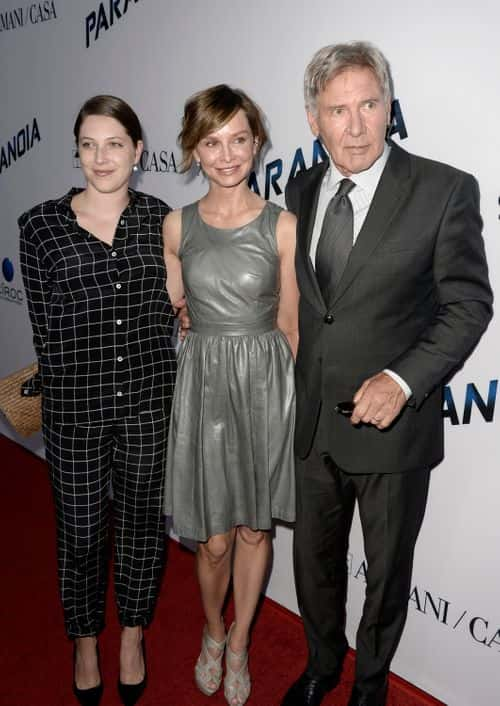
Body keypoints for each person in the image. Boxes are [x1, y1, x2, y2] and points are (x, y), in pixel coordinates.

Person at [281, 42, 493, 706]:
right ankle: (322, 665)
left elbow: (469, 304)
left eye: (368, 104)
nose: (354, 125)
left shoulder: (443, 189)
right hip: (314, 423)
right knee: (313, 565)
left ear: (389, 106)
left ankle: (370, 683)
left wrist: (401, 381)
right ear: (313, 118)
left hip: (394, 433)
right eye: (336, 109)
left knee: (387, 573)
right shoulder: (303, 187)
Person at [19, 95, 177, 706]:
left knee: (141, 528)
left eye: (116, 144)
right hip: (75, 410)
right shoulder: (39, 226)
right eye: (89, 144)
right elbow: (44, 328)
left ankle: (132, 637)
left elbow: (178, 306)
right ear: (77, 151)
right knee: (81, 535)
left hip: (147, 401)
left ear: (139, 152)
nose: (102, 157)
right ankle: (85, 640)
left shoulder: (164, 220)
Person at [163, 84, 298, 706]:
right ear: (193, 149)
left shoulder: (283, 226)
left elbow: (291, 328)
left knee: (251, 531)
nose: (226, 155)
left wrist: (291, 414)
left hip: (264, 388)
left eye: (238, 140)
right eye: (211, 142)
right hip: (204, 390)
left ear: (257, 144)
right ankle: (212, 631)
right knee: (213, 538)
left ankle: (241, 641)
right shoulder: (177, 224)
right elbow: (177, 311)